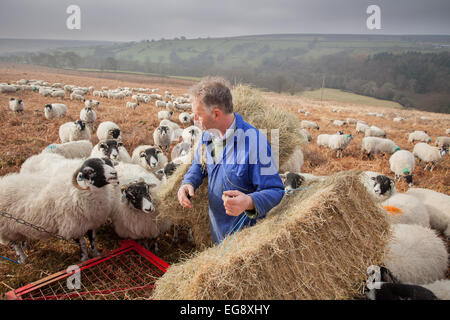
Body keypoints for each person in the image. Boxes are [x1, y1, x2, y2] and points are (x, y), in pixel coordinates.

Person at [177, 76, 284, 244]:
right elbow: (199, 165)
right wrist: (188, 182)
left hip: (244, 239)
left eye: (198, 115)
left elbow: (276, 190)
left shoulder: (255, 143)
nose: (194, 120)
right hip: (218, 229)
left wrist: (249, 201)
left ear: (216, 113)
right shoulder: (208, 135)